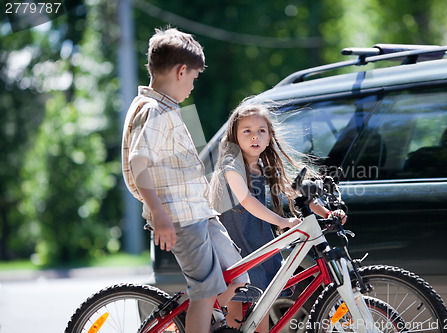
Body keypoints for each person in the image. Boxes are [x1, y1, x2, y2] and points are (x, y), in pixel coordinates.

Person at [121, 27, 248, 333]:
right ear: (181, 71)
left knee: (239, 275)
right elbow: (140, 163)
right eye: (194, 77)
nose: (193, 84)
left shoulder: (168, 108)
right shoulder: (153, 111)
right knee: (204, 294)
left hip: (199, 211)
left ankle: (218, 324)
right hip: (179, 216)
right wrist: (160, 213)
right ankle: (200, 321)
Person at [210, 103, 346, 332]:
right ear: (234, 135)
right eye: (247, 131)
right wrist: (282, 222)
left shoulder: (262, 166)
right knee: (237, 310)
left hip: (259, 245)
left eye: (261, 131)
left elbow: (293, 190)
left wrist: (327, 213)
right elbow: (247, 201)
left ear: (269, 136)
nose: (255, 136)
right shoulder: (231, 166)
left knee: (261, 310)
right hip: (236, 247)